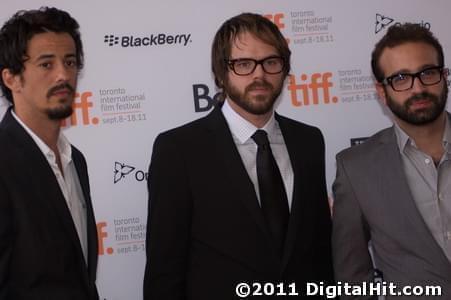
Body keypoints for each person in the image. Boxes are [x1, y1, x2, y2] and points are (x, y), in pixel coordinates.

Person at [144, 12, 333, 300]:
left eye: (271, 62)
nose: (259, 75)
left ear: (285, 69)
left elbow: (320, 251)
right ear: (221, 72)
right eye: (244, 64)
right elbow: (164, 270)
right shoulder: (178, 149)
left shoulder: (309, 141)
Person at [332, 23, 451, 299]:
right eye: (400, 78)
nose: (417, 87)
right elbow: (352, 279)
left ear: (444, 77)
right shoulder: (356, 169)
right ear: (382, 91)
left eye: (427, 73)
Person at [0, 7, 99, 299]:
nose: (63, 75)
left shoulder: (75, 160)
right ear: (11, 78)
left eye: (70, 62)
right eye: (46, 64)